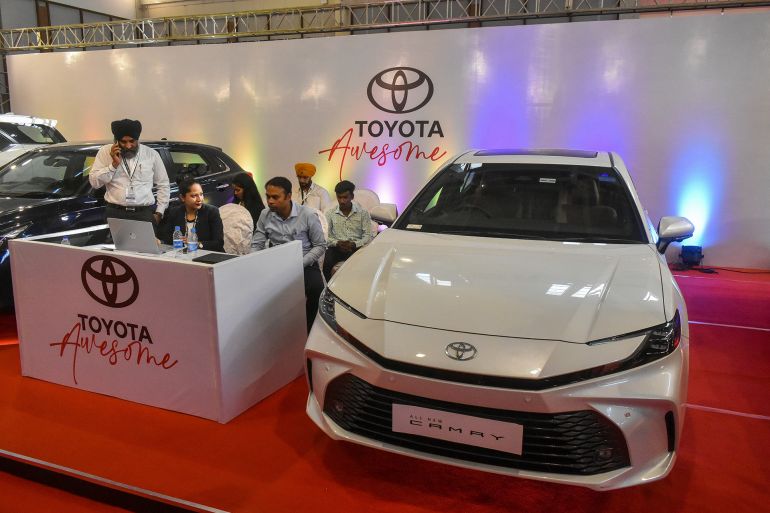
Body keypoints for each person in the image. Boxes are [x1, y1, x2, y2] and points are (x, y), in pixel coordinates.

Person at [251, 176, 326, 333]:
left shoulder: (307, 215)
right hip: (275, 261)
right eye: (268, 196)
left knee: (316, 289)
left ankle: (309, 330)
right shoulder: (265, 214)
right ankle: (267, 330)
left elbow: (320, 246)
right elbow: (257, 243)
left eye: (275, 197)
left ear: (289, 196)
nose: (270, 201)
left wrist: (300, 263)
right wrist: (254, 262)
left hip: (303, 263)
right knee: (255, 287)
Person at [89, 119, 170, 226]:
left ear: (137, 139)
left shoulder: (151, 154)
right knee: (114, 243)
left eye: (132, 141)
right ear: (116, 141)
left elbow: (163, 184)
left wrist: (159, 213)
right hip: (115, 213)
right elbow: (94, 183)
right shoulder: (105, 152)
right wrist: (113, 165)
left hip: (143, 214)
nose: (128, 146)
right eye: (123, 142)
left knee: (145, 243)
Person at [323, 180, 374, 281]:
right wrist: (337, 243)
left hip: (356, 248)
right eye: (339, 197)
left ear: (352, 196)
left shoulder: (363, 213)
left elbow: (368, 236)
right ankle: (328, 289)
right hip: (336, 248)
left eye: (345, 197)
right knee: (326, 261)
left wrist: (354, 244)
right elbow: (325, 237)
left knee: (364, 267)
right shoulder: (330, 214)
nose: (342, 201)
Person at [159, 177, 224, 252]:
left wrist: (197, 244)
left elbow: (218, 243)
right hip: (183, 255)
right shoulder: (175, 212)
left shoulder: (212, 212)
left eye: (201, 194)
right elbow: (167, 238)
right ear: (182, 198)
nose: (199, 199)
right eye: (194, 196)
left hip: (208, 255)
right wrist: (161, 242)